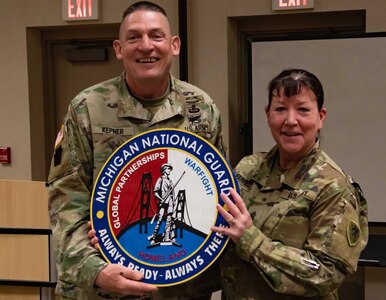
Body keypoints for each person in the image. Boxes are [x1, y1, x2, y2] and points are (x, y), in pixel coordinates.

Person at [47, 1, 224, 299]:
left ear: (174, 45)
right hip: (103, 288)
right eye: (133, 37)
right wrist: (94, 271)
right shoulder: (88, 109)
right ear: (119, 48)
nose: (146, 46)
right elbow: (66, 200)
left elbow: (213, 194)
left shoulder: (202, 108)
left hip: (178, 288)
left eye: (156, 36)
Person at [211, 68, 369, 299]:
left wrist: (250, 239)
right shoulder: (248, 168)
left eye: (303, 109)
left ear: (321, 117)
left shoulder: (333, 187)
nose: (291, 121)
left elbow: (325, 274)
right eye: (281, 109)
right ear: (268, 114)